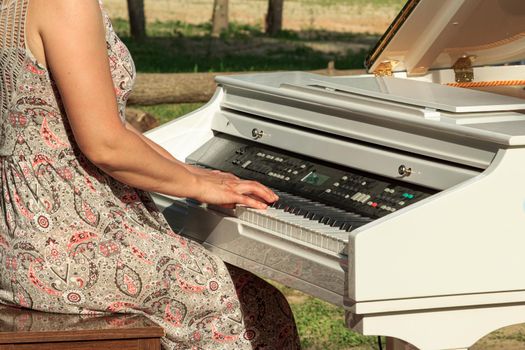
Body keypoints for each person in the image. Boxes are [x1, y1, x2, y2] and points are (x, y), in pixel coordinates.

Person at [0, 0, 300, 348]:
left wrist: (190, 172)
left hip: (20, 238)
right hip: (67, 245)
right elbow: (105, 143)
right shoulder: (67, 3)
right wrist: (197, 185)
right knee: (246, 304)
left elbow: (107, 125)